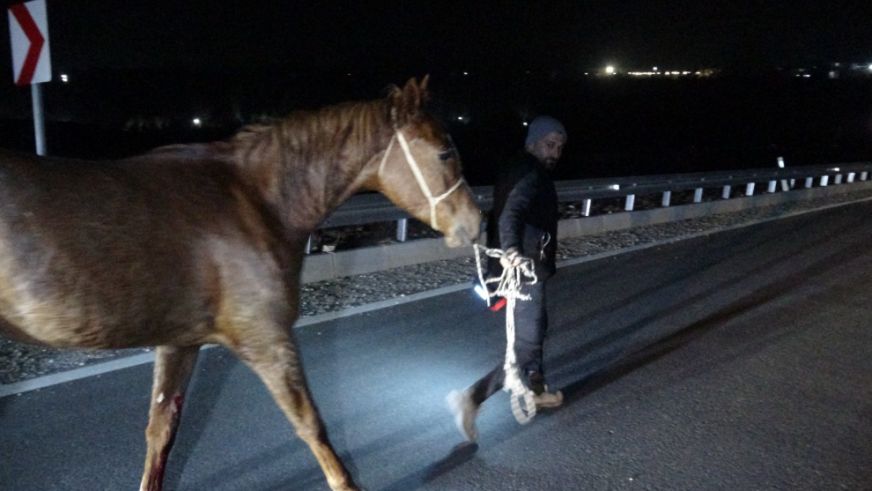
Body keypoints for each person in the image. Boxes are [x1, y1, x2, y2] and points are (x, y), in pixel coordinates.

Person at [448, 115, 567, 441]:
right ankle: (471, 399)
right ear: (532, 142)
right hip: (523, 271)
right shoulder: (530, 172)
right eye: (549, 144)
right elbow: (512, 211)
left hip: (521, 268)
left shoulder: (517, 167)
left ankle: (537, 389)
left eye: (559, 146)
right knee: (525, 348)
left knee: (536, 329)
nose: (554, 152)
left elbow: (499, 214)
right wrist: (514, 251)